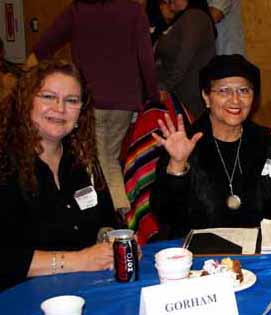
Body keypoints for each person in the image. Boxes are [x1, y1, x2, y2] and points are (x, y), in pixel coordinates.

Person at [150, 54, 271, 238]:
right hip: (199, 254)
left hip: (260, 254)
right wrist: (177, 164)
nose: (235, 100)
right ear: (206, 97)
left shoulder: (268, 141)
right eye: (223, 91)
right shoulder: (184, 143)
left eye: (244, 91)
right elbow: (167, 217)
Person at [29, 0, 160, 216]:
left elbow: (42, 47)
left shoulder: (78, 10)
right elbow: (146, 58)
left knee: (97, 163)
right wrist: (152, 95)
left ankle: (113, 219)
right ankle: (123, 216)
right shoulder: (134, 9)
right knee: (109, 161)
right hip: (124, 101)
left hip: (89, 100)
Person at [0, 59, 118, 291]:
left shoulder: (83, 159)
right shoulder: (5, 163)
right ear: (26, 102)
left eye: (71, 100)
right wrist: (79, 260)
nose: (60, 108)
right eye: (47, 96)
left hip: (85, 288)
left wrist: (114, 241)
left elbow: (107, 221)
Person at [155, 0, 216, 118]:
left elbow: (184, 55)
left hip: (188, 96)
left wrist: (166, 86)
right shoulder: (182, 19)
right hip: (179, 92)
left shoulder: (195, 16)